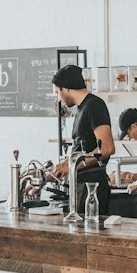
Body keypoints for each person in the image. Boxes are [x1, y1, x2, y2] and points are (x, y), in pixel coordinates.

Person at [46, 63, 113, 216]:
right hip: (82, 185)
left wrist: (73, 164)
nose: (59, 99)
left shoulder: (94, 105)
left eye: (58, 92)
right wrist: (63, 166)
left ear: (65, 88)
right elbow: (84, 148)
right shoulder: (81, 108)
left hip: (92, 188)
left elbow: (107, 148)